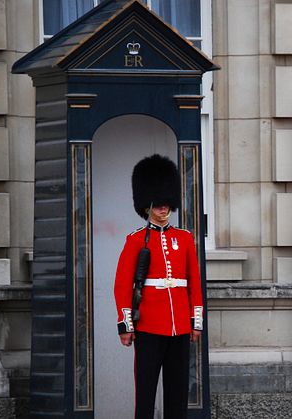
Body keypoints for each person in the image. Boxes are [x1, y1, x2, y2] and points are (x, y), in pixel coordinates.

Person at [114, 154, 203, 419]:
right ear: (146, 205)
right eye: (158, 204)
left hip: (180, 328)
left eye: (166, 204)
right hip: (149, 326)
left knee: (177, 393)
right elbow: (121, 286)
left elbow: (194, 283)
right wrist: (126, 325)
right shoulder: (135, 240)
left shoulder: (185, 239)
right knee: (145, 392)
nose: (163, 209)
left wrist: (195, 321)